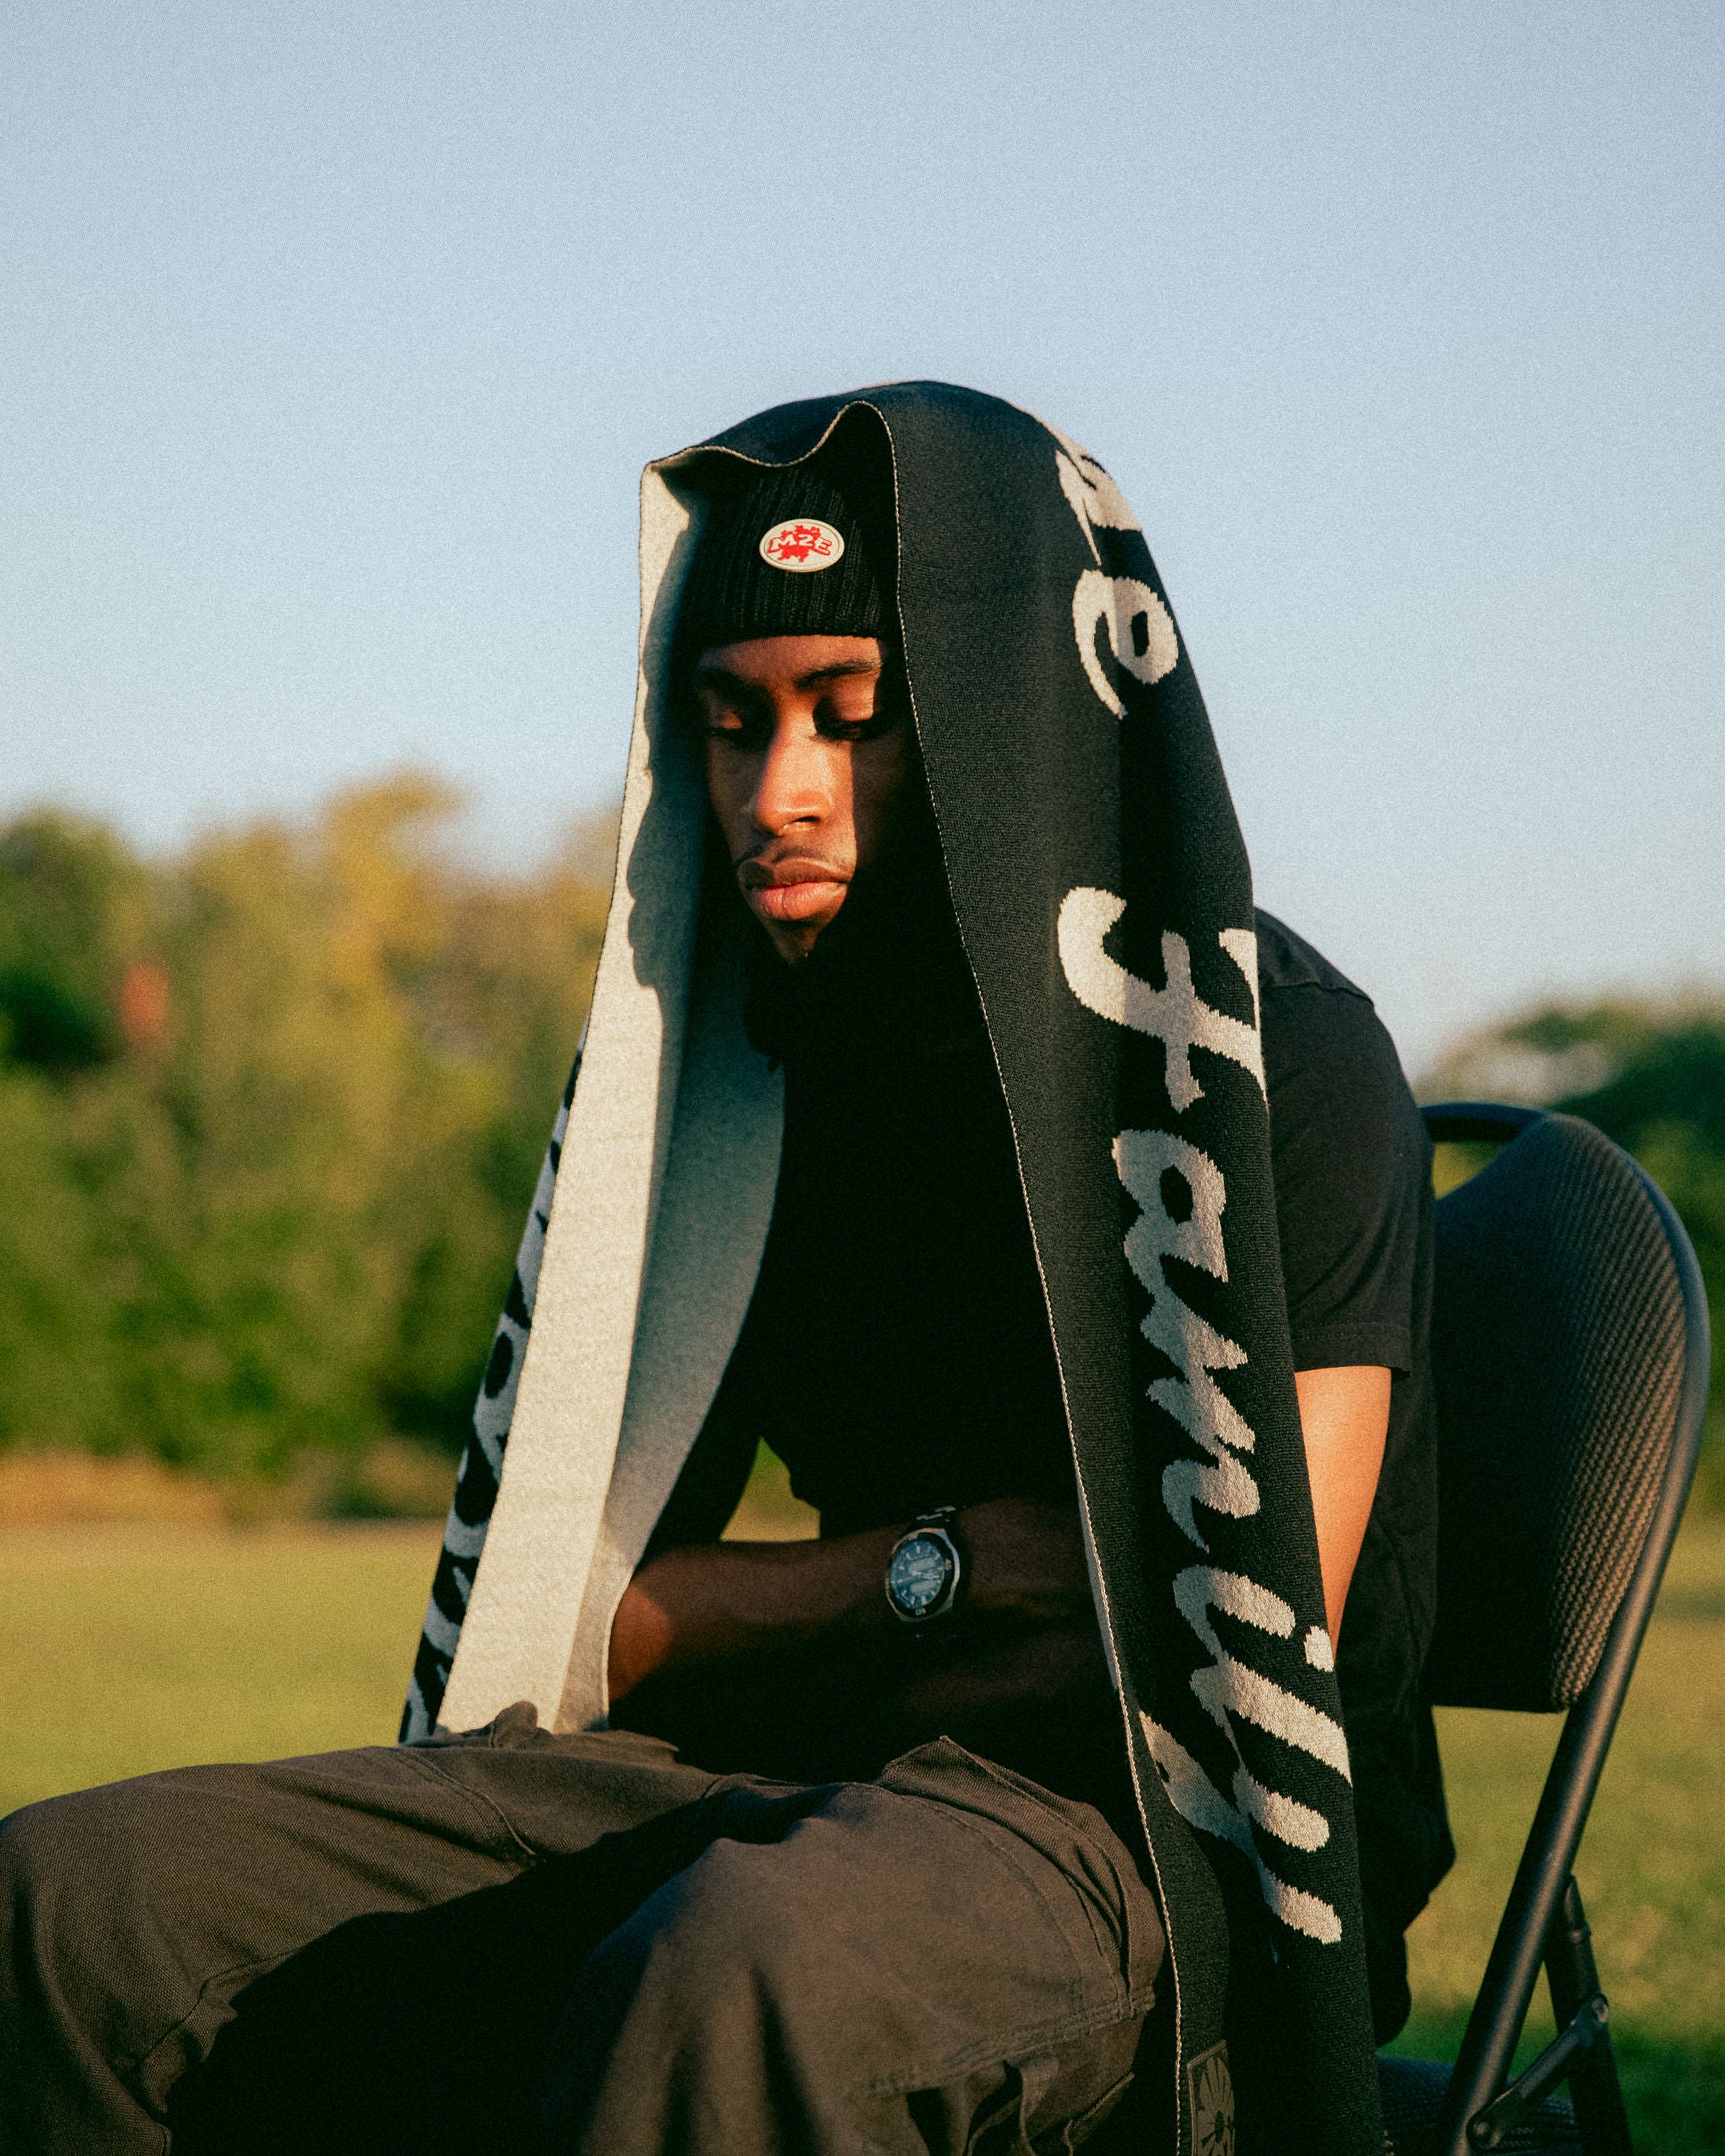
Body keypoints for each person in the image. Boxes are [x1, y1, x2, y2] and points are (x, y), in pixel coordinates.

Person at [0, 385, 1450, 2156]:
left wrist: (791, 1625)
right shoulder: (740, 1095)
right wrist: (937, 1573)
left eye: (857, 720)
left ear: (1015, 723)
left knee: (744, 1969)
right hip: (802, 1788)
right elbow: (587, 1611)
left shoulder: (1264, 1064)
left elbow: (1212, 1623)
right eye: (731, 722)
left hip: (1159, 1837)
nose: (782, 797)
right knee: (83, 1902)